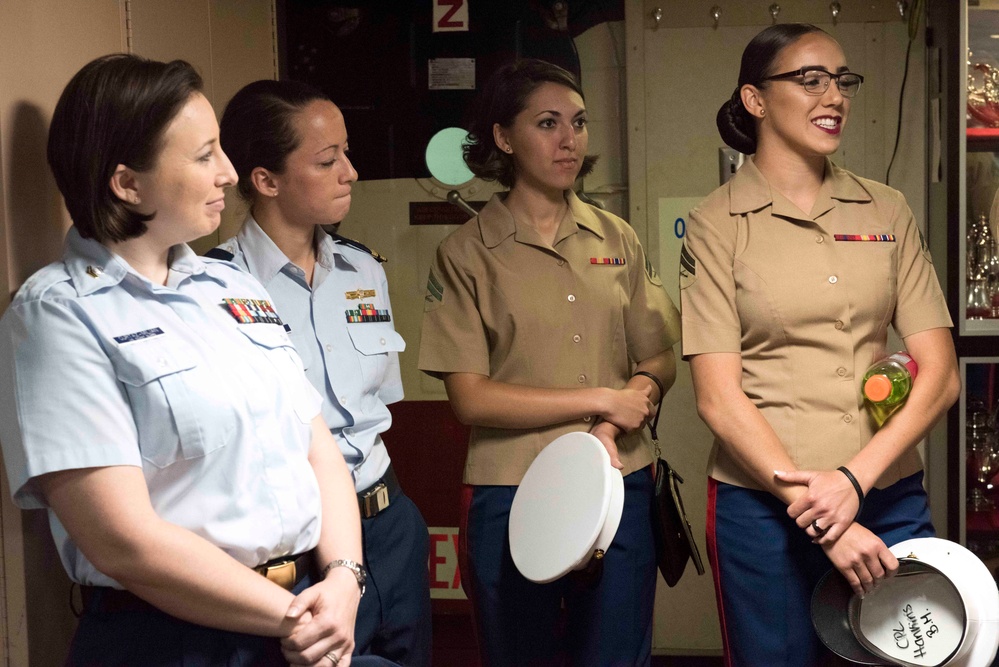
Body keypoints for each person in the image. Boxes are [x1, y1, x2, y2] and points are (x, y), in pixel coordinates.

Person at [0, 53, 382, 667]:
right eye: (205, 156)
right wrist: (302, 618)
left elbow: (319, 450)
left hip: (305, 613)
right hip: (173, 638)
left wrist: (342, 581)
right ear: (128, 183)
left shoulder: (230, 288)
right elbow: (123, 541)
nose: (229, 174)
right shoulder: (58, 313)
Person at [681, 23, 960, 666]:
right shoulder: (714, 225)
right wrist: (820, 511)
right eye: (809, 79)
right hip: (763, 508)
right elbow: (719, 401)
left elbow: (940, 373)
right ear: (755, 100)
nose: (833, 95)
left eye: (842, 80)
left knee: (917, 656)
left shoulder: (886, 210)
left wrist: (853, 483)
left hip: (886, 493)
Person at [418, 58, 681, 667]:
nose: (570, 139)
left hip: (618, 480)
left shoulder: (619, 239)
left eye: (579, 122)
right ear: (504, 139)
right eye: (547, 123)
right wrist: (598, 401)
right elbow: (471, 398)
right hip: (512, 489)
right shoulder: (465, 254)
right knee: (520, 653)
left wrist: (613, 423)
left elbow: (659, 359)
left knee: (616, 654)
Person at [212, 79, 432, 667]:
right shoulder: (216, 288)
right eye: (327, 160)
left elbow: (381, 399)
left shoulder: (362, 270)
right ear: (265, 180)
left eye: (348, 153)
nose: (351, 172)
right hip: (298, 544)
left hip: (390, 524)